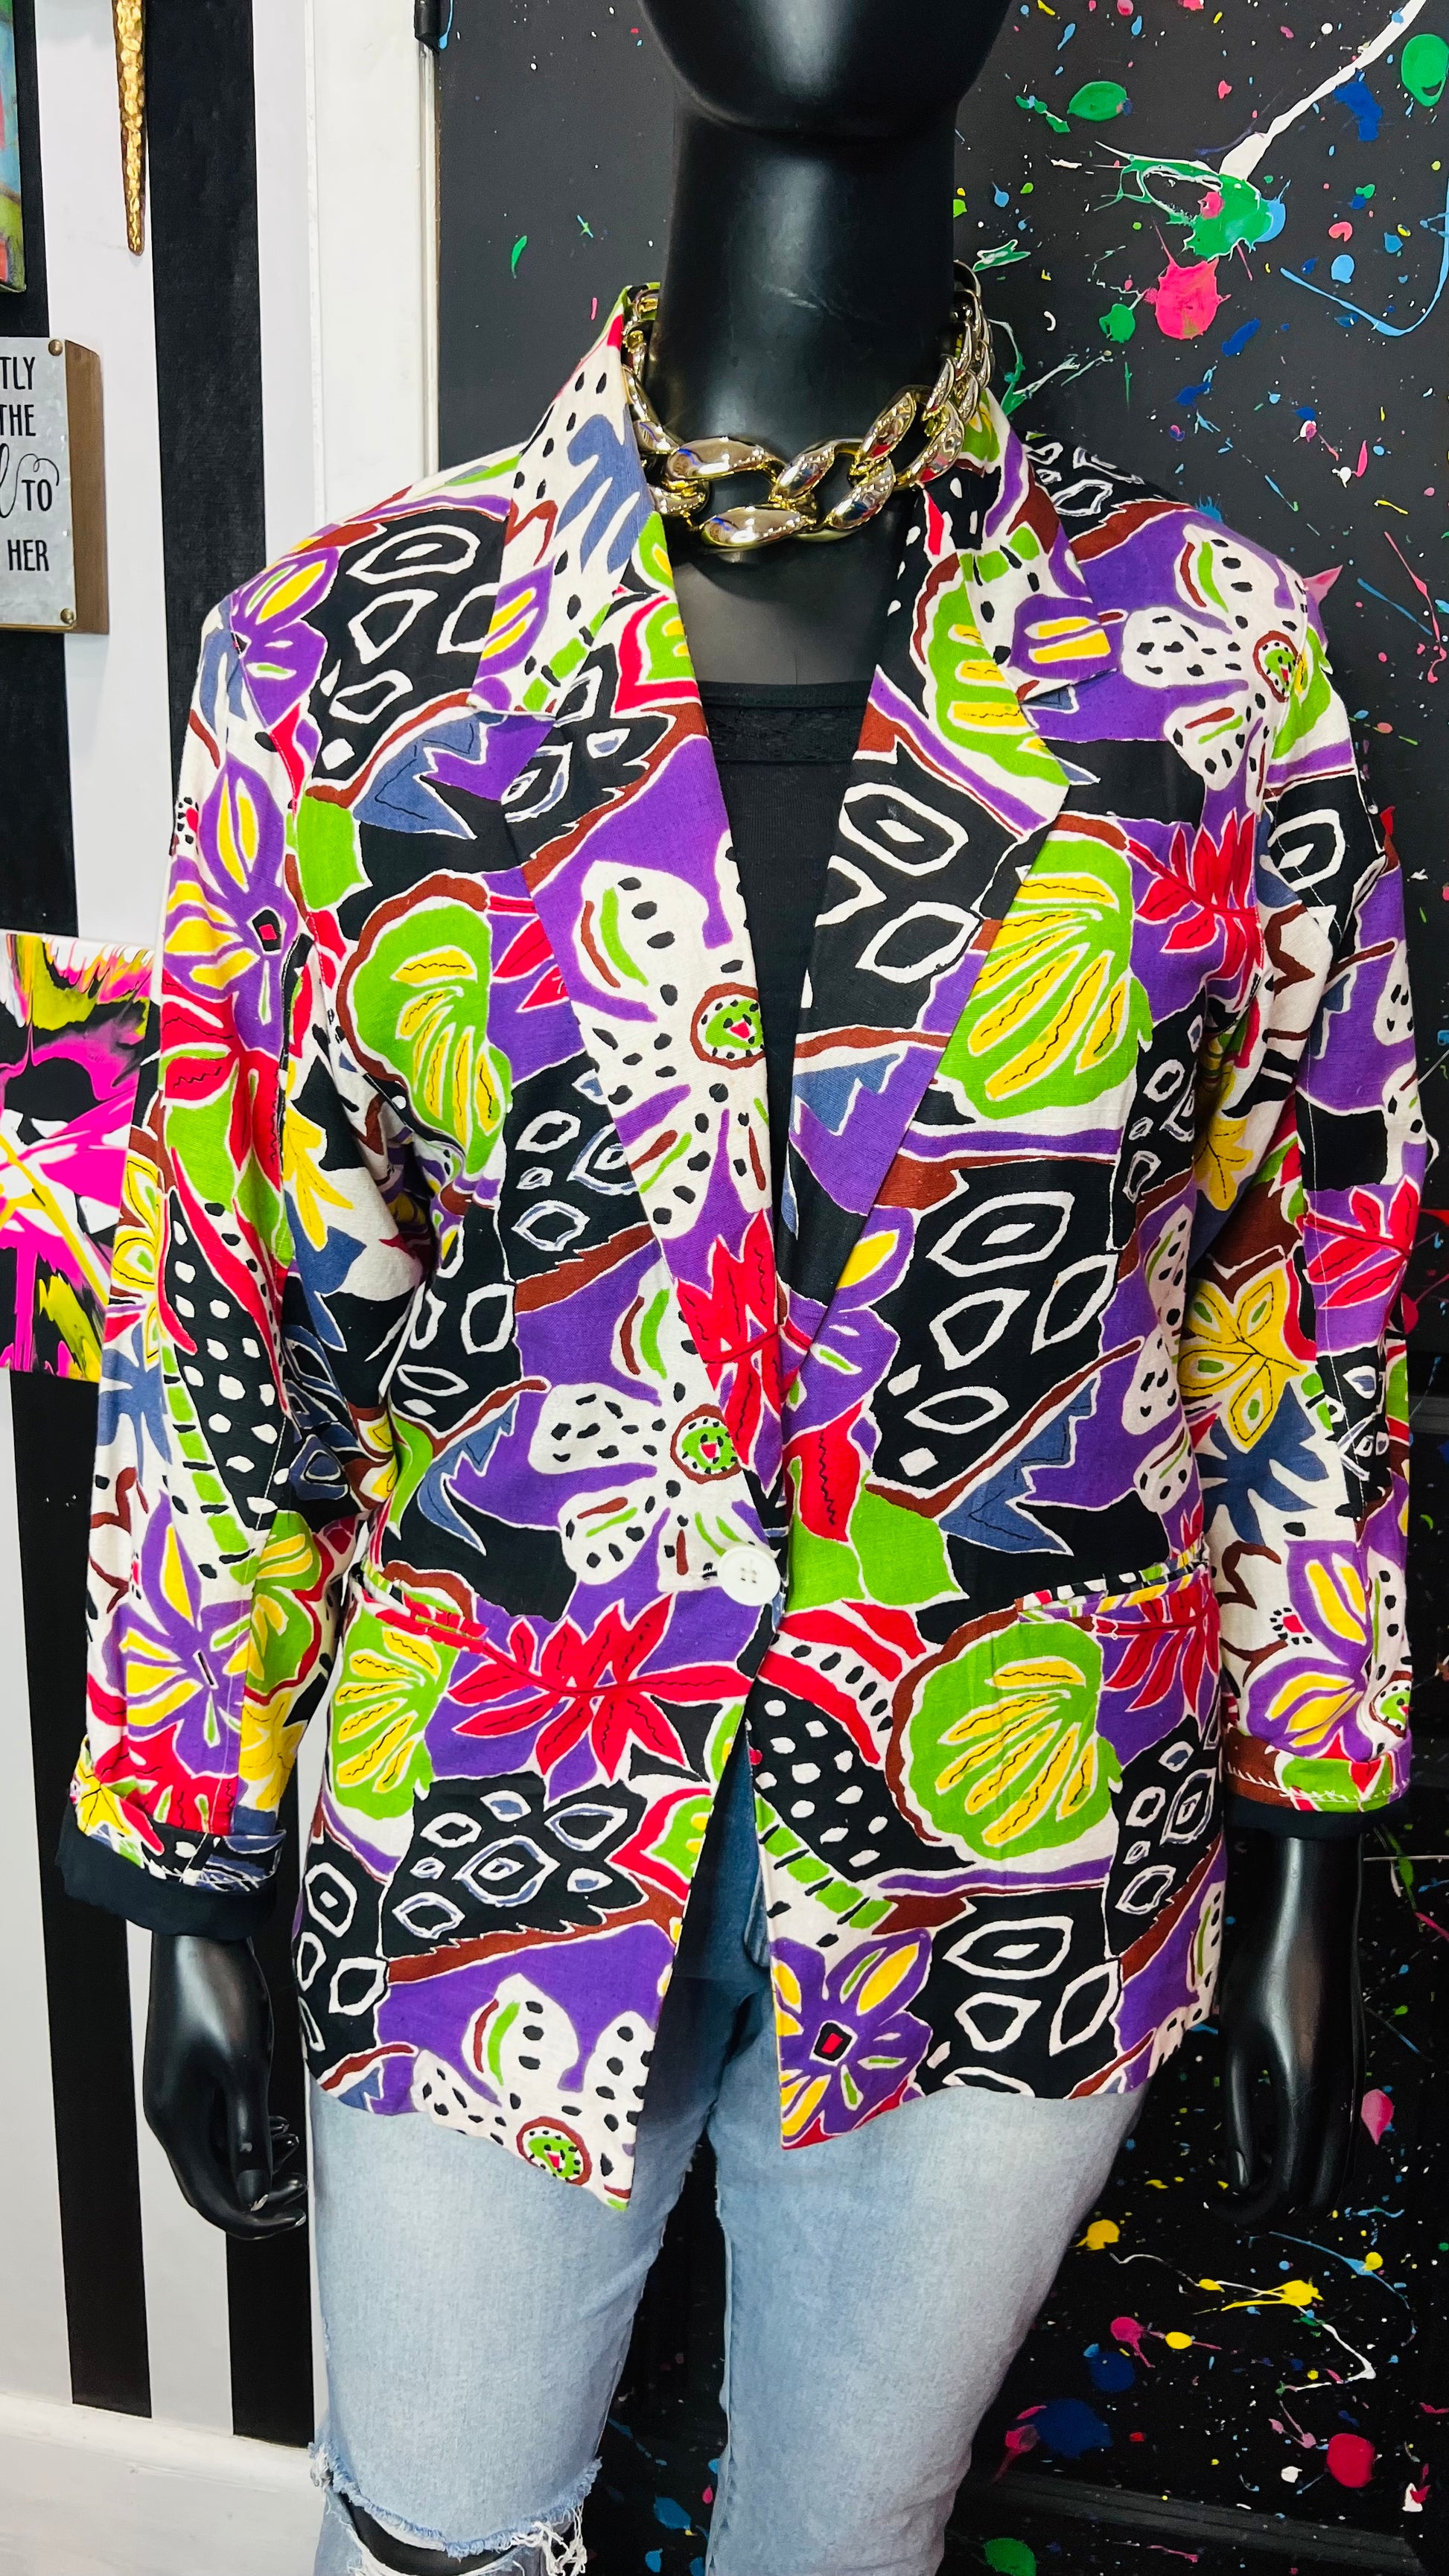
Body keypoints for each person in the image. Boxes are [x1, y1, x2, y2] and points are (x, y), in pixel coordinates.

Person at [60, 4, 1420, 2570]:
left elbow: (1299, 1278)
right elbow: (223, 1306)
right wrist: (184, 1862)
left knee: (841, 2535)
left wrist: (1312, 1832)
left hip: (1019, 1823)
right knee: (432, 2539)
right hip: (484, 1798)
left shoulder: (1211, 663)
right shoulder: (343, 653)